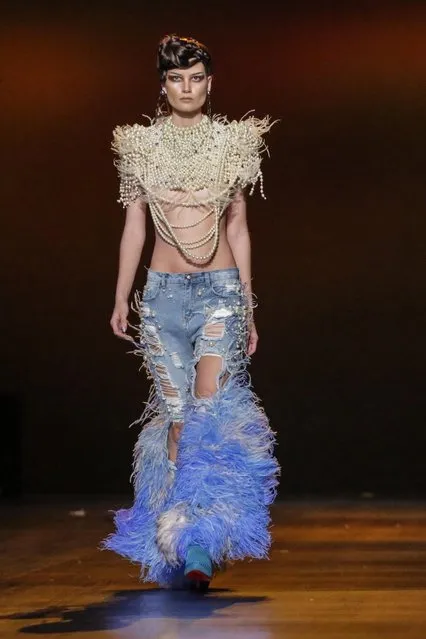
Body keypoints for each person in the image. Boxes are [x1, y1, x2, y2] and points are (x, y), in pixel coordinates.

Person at [102, 34, 280, 590]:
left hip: (220, 295)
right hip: (160, 300)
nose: (186, 87)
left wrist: (248, 305)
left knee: (209, 416)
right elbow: (133, 225)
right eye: (176, 79)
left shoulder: (234, 142)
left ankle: (202, 543)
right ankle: (178, 533)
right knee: (178, 423)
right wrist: (119, 296)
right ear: (163, 85)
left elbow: (239, 228)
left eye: (196, 77)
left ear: (210, 82)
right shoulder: (139, 146)